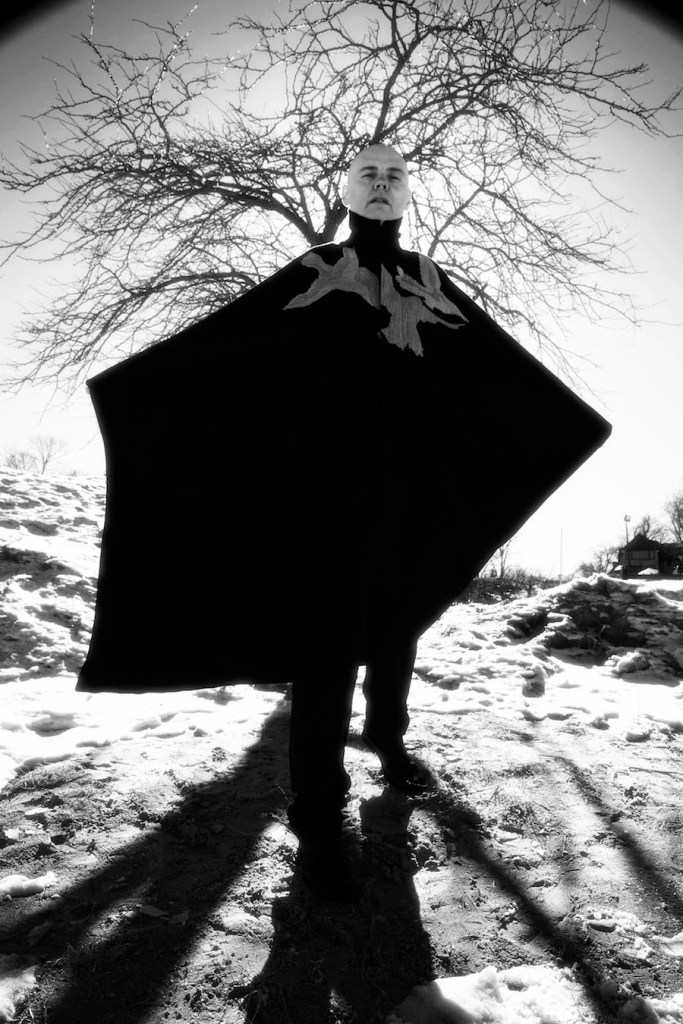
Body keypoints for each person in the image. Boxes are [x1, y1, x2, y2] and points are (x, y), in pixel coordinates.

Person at [77, 143, 611, 904]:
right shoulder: (316, 270)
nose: (382, 184)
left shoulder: (429, 280)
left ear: (409, 195)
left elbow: (492, 375)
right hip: (324, 503)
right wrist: (138, 390)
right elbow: (233, 348)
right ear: (347, 191)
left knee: (398, 626)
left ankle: (388, 741)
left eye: (395, 176)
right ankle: (319, 817)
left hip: (406, 499)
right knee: (326, 651)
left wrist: (562, 425)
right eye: (368, 175)